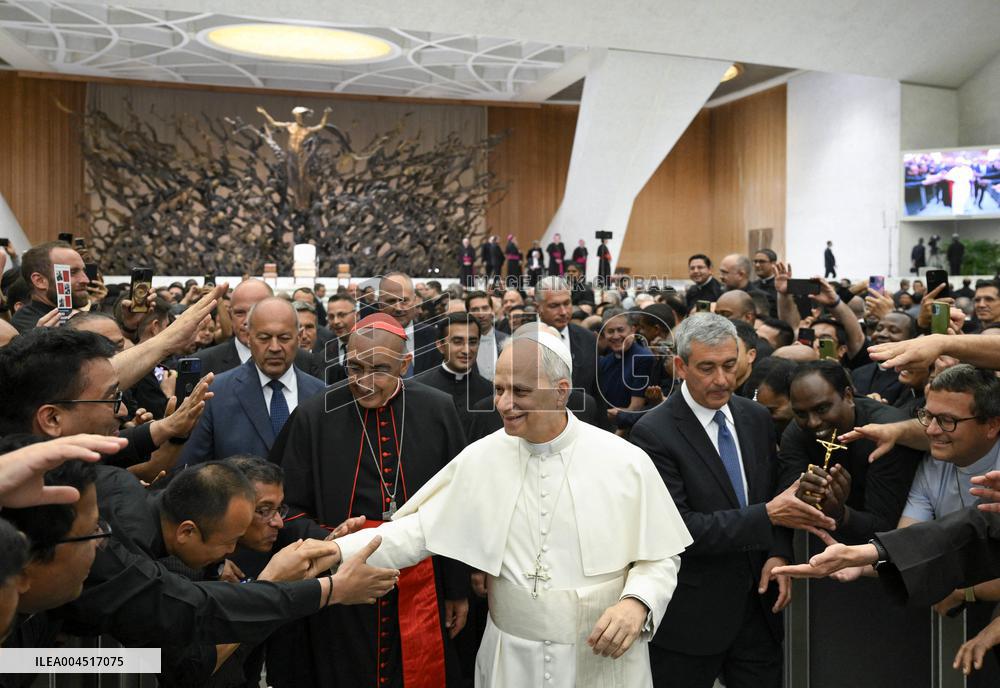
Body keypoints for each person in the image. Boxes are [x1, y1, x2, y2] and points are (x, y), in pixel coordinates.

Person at [329, 325, 692, 687]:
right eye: (499, 389)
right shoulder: (484, 456)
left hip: (601, 657)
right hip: (511, 660)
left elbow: (660, 555)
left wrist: (637, 603)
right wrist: (331, 553)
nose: (503, 404)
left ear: (560, 392)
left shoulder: (624, 461)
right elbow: (416, 532)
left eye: (519, 391)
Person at [270, 313, 470, 688]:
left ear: (405, 365)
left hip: (419, 582)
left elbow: (459, 506)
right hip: (338, 583)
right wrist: (329, 540)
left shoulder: (438, 410)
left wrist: (456, 588)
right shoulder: (314, 416)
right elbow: (283, 507)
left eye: (379, 369)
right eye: (354, 367)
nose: (363, 382)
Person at [629, 314, 818, 688]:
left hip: (759, 614)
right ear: (680, 367)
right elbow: (680, 529)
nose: (721, 380)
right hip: (690, 620)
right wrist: (766, 515)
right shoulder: (653, 432)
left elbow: (775, 501)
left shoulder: (756, 418)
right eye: (707, 368)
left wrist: (778, 554)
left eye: (730, 366)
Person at [181, 298, 325, 466]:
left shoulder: (321, 395)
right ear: (248, 338)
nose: (274, 347)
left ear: (299, 338)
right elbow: (193, 471)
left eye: (284, 338)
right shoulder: (214, 395)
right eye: (264, 338)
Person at [194, 279, 322, 379]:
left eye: (256, 310)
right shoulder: (203, 364)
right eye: (240, 313)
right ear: (230, 315)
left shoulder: (308, 364)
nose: (246, 321)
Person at [415, 312, 493, 437]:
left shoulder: (490, 391)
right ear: (440, 346)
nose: (466, 350)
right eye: (457, 342)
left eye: (472, 342)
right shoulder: (419, 389)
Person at [536, 277, 600, 404]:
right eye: (554, 306)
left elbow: (596, 390)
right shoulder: (523, 339)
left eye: (567, 303)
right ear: (538, 307)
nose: (563, 312)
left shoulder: (588, 339)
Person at [11, 240, 90, 333]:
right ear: (39, 281)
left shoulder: (76, 313)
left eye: (83, 271)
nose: (86, 280)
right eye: (72, 272)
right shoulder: (26, 324)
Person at [379, 271, 441, 376]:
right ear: (380, 305)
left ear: (415, 301)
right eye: (391, 301)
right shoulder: (366, 340)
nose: (398, 308)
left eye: (404, 300)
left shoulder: (434, 337)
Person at [598, 309, 652, 419]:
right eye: (610, 331)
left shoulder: (643, 358)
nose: (616, 336)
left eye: (620, 330)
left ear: (632, 330)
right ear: (604, 334)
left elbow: (635, 408)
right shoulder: (604, 362)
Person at [465, 290, 509, 381]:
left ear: (492, 310)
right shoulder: (461, 344)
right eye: (475, 310)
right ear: (468, 314)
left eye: (485, 308)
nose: (481, 314)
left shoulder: (507, 340)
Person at [325, 292, 357, 371]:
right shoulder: (324, 354)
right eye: (331, 316)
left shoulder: (371, 348)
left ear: (357, 315)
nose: (336, 321)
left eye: (342, 315)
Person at [751, 249, 778, 316]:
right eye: (755, 261)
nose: (757, 265)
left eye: (762, 262)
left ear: (773, 264)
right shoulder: (752, 285)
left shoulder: (779, 287)